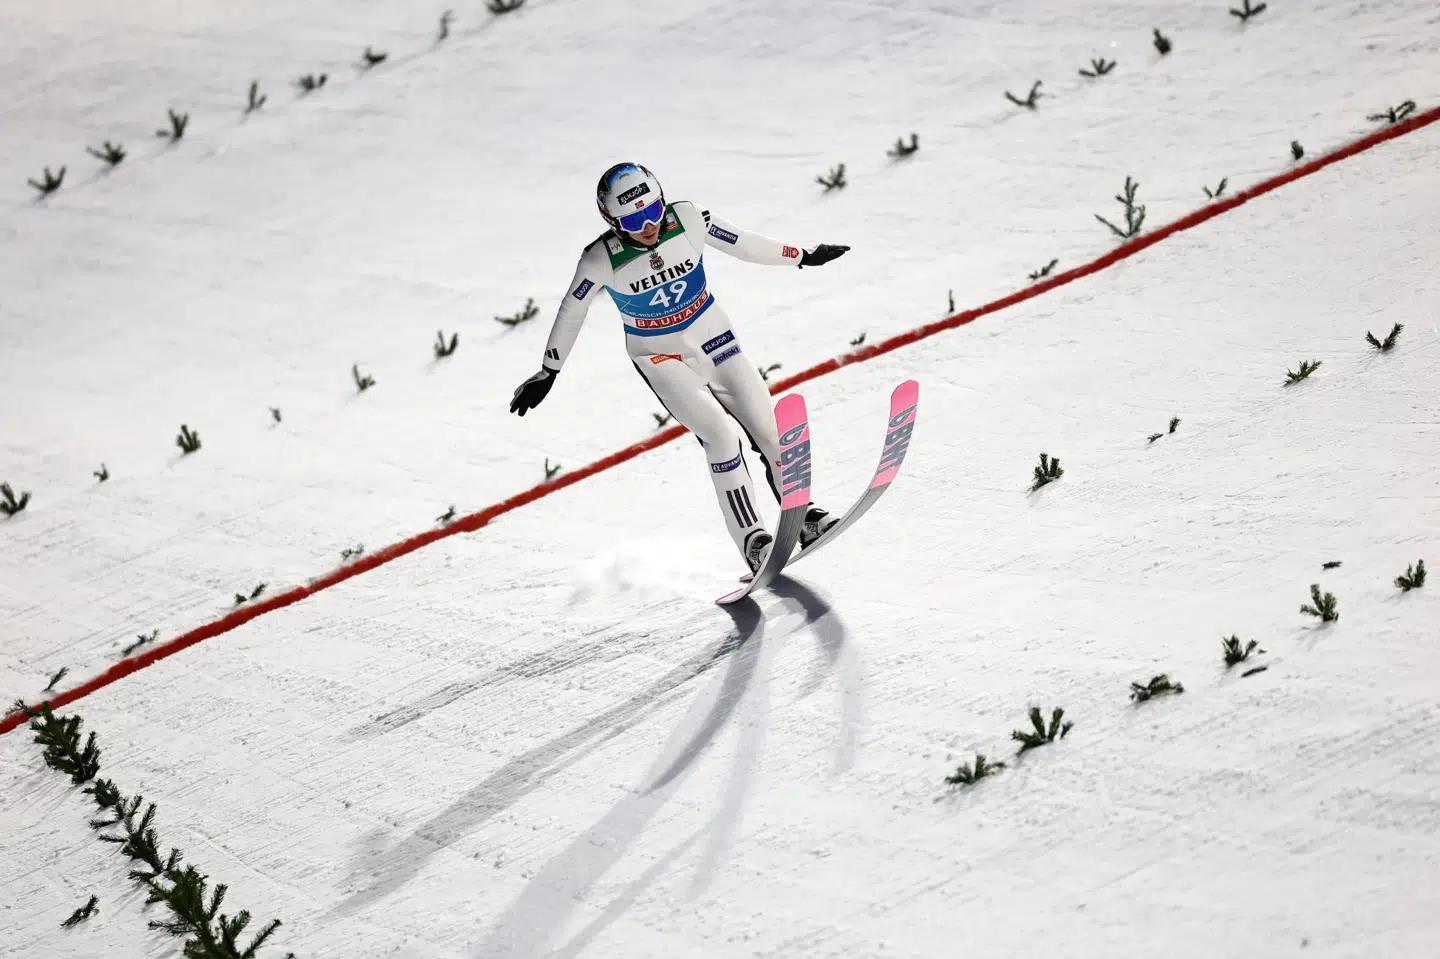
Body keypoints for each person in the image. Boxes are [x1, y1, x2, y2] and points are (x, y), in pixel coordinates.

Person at [510, 163, 851, 573]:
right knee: (722, 438)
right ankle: (754, 540)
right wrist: (550, 370)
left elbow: (743, 244)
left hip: (716, 340)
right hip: (659, 357)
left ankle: (804, 516)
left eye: (653, 209)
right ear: (612, 221)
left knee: (769, 429)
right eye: (634, 219)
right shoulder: (600, 259)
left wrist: (803, 257)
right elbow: (572, 311)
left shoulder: (688, 217)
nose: (649, 224)